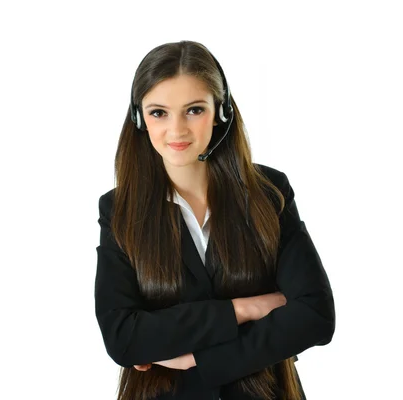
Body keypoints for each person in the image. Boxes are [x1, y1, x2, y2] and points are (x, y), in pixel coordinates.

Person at [94, 40, 336, 400]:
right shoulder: (120, 209)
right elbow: (123, 337)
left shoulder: (270, 192)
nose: (177, 131)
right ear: (138, 117)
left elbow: (316, 316)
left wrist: (201, 357)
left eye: (194, 110)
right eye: (159, 112)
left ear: (221, 112)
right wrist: (245, 308)